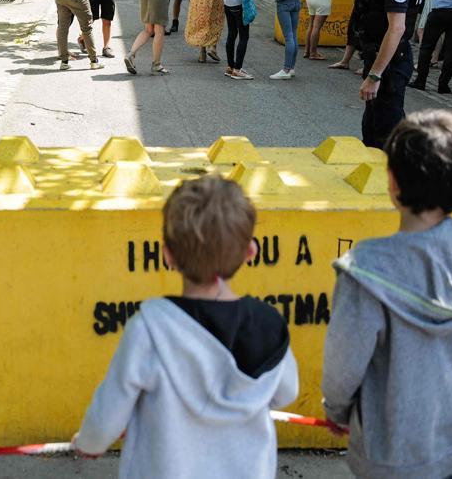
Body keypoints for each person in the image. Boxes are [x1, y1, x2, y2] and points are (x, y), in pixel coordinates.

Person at [72, 175, 299, 478]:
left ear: (168, 255)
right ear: (250, 253)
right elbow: (287, 392)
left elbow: (110, 410)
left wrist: (91, 442)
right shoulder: (270, 327)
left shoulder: (150, 329)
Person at [323, 109, 452, 479]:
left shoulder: (365, 269)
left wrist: (337, 410)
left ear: (391, 182)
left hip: (391, 449)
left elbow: (344, 362)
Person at [356, 0, 423, 148]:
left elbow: (396, 28)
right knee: (374, 132)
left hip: (391, 66)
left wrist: (375, 75)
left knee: (387, 136)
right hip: (385, 61)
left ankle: (406, 183)